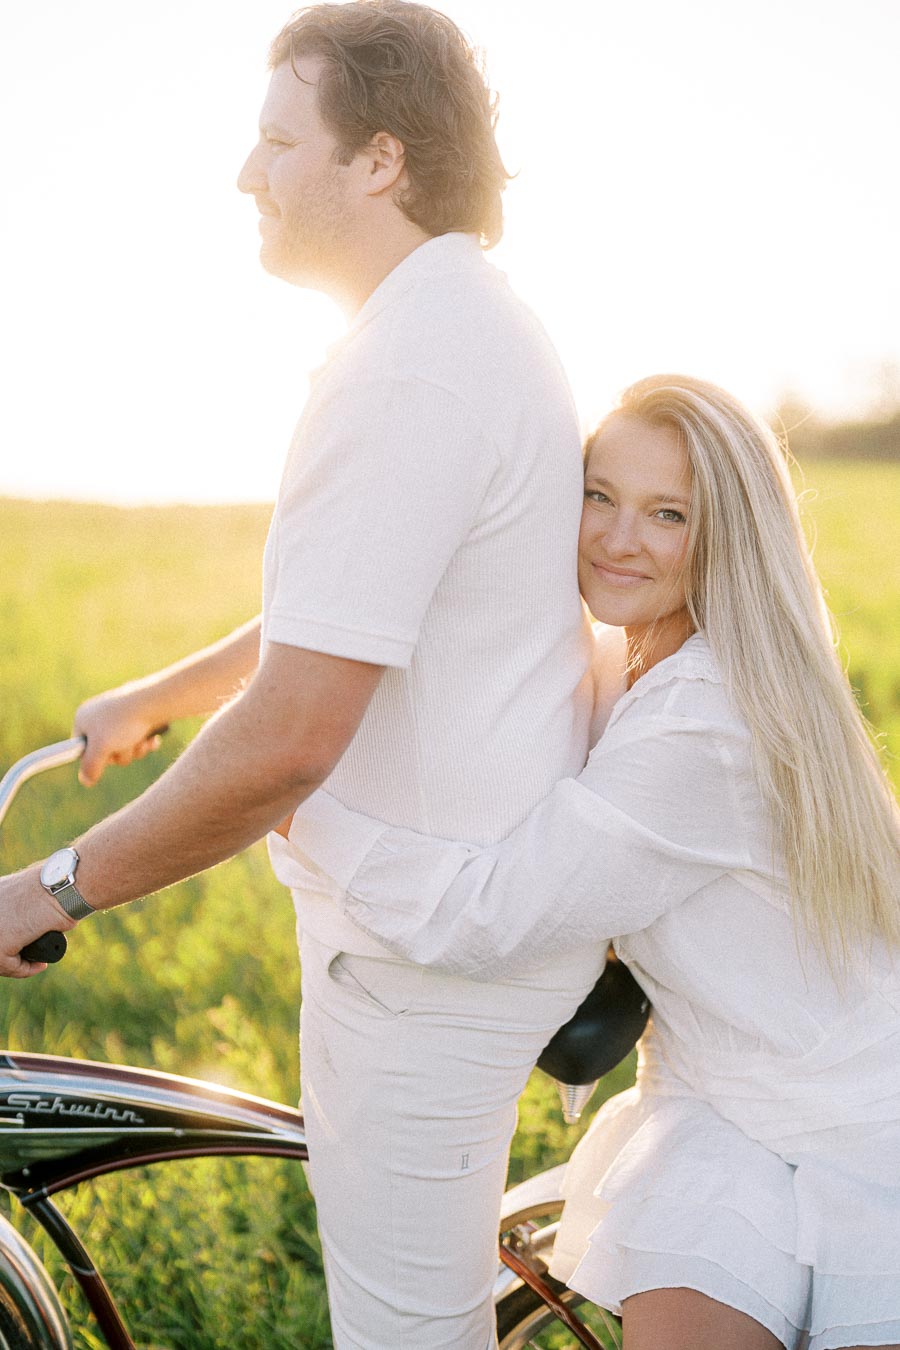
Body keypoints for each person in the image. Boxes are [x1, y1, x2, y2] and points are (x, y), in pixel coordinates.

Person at [0, 3, 606, 1345]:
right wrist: (168, 691)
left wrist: (44, 890)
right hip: (446, 919)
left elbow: (290, 738)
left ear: (380, 160)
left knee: (402, 1334)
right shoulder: (446, 325)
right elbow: (355, 609)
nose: (244, 173)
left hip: (428, 951)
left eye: (279, 139)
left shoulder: (415, 369)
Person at [283, 374, 900, 1350]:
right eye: (598, 494)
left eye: (667, 513)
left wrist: (293, 798)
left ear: (728, 538)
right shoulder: (636, 656)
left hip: (863, 1131)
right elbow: (368, 623)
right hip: (716, 1106)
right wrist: (175, 699)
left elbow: (483, 917)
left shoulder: (705, 722)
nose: (617, 537)